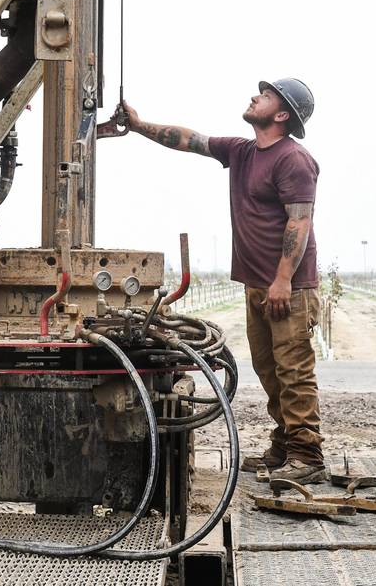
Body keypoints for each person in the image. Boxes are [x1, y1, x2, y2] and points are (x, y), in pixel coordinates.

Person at [123, 78, 326, 483]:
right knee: (269, 369)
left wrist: (283, 278)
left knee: (293, 370)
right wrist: (139, 124)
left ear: (282, 114)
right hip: (260, 285)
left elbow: (300, 221)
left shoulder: (293, 159)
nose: (255, 97)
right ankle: (285, 444)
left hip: (289, 287)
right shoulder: (243, 151)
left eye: (265, 96)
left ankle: (308, 456)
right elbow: (189, 139)